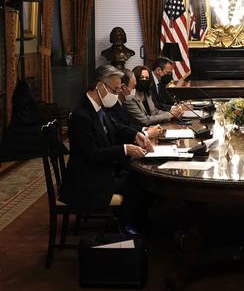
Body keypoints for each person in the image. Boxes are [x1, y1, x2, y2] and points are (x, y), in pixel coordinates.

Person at [59, 65, 151, 232]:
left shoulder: (99, 106)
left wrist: (136, 135)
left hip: (100, 171)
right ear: (100, 86)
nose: (117, 94)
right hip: (87, 181)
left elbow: (115, 127)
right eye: (115, 90)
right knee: (138, 186)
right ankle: (128, 231)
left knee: (136, 177)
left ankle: (130, 225)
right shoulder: (81, 115)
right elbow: (92, 154)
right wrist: (124, 149)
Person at [105, 67, 166, 140]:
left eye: (147, 78)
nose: (134, 90)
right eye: (133, 87)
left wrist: (145, 129)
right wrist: (146, 133)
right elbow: (120, 131)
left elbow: (128, 125)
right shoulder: (111, 105)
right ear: (123, 87)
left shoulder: (120, 103)